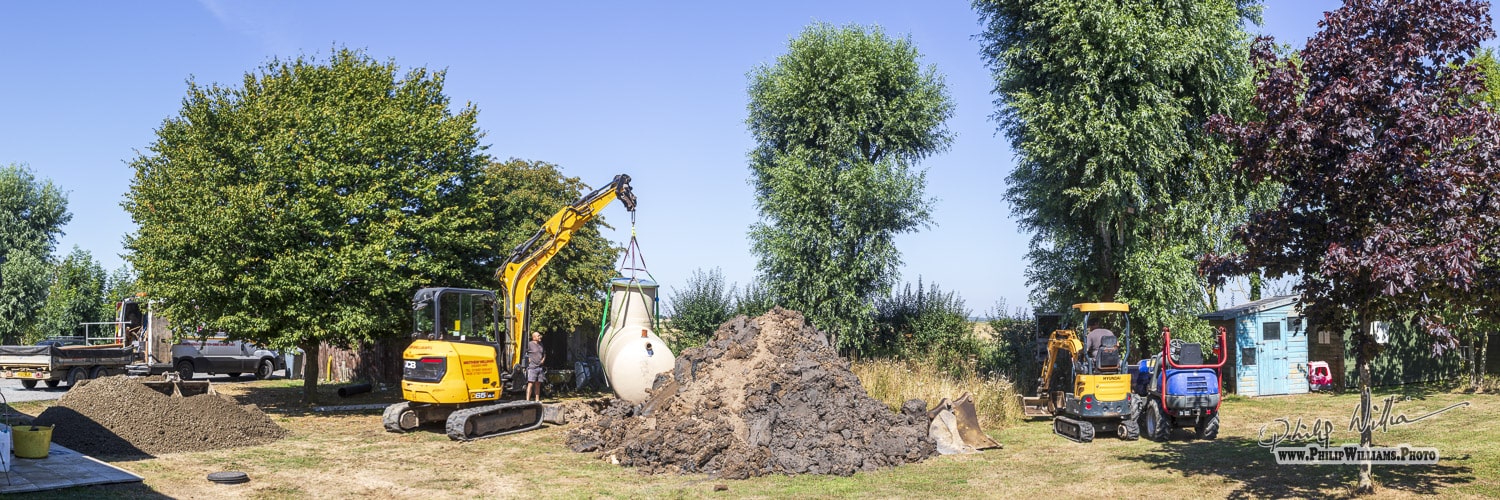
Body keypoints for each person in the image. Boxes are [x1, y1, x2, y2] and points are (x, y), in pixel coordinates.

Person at [525, 332, 546, 402]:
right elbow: (525, 353)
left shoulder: (541, 344)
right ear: (534, 337)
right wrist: (528, 359)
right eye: (538, 336)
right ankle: (527, 400)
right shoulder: (530, 344)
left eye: (540, 335)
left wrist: (543, 359)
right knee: (530, 383)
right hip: (532, 367)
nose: (540, 337)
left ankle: (537, 400)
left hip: (540, 367)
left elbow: (544, 353)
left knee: (538, 384)